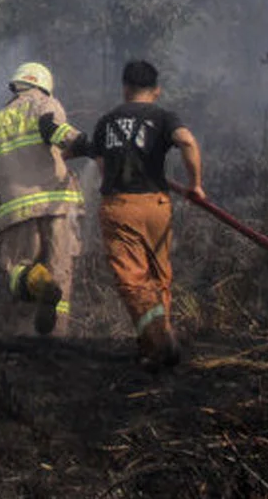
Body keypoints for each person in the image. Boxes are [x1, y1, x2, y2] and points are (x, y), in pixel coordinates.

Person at [51, 59, 205, 371]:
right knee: (158, 276)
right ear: (156, 90)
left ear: (125, 89)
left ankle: (161, 341)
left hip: (121, 208)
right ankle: (151, 346)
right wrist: (195, 186)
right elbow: (186, 140)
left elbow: (103, 165)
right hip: (157, 206)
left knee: (132, 280)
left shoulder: (108, 121)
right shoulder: (163, 117)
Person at [0, 62, 85, 337]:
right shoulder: (45, 102)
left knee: (19, 269)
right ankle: (57, 335)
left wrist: (4, 173)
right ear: (43, 86)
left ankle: (26, 329)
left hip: (15, 209)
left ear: (15, 87)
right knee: (60, 269)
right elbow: (52, 130)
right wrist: (85, 143)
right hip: (58, 203)